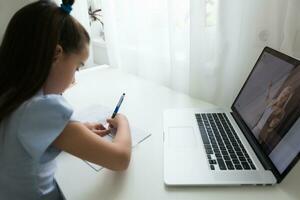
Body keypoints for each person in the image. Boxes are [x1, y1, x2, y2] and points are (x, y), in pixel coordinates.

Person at [0, 1, 132, 200]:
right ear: (56, 54)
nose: (73, 79)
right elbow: (120, 159)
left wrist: (76, 132)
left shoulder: (10, 92)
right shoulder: (41, 109)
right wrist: (123, 123)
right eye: (77, 67)